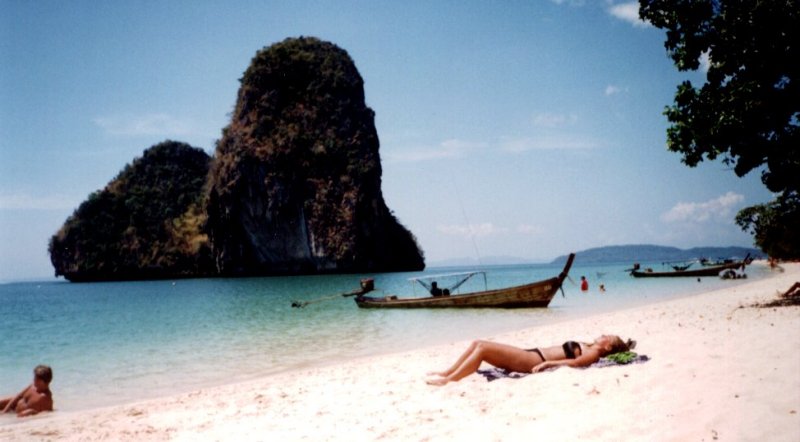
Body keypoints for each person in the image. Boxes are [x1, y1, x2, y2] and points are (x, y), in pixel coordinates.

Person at [426, 335, 633, 386]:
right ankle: (447, 373)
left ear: (607, 346)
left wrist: (547, 364)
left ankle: (449, 381)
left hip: (532, 360)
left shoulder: (593, 353)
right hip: (533, 353)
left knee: (482, 349)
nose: (603, 333)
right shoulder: (589, 346)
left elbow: (575, 364)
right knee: (477, 343)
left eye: (608, 336)